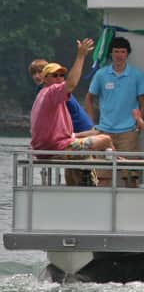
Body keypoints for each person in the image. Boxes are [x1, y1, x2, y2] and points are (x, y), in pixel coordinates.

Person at [30, 40, 114, 186]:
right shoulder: (52, 92)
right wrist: (81, 55)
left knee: (94, 135)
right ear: (45, 79)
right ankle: (113, 162)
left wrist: (87, 133)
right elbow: (72, 84)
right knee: (105, 139)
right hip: (57, 148)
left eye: (62, 75)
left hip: (49, 146)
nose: (59, 79)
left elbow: (59, 132)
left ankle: (83, 183)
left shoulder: (42, 94)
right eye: (54, 75)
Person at [86, 36, 144, 186]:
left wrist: (138, 124)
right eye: (116, 51)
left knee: (130, 176)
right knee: (102, 176)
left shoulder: (137, 75)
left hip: (128, 132)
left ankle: (132, 207)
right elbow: (89, 98)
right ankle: (102, 207)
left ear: (127, 54)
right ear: (111, 54)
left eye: (122, 51)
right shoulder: (101, 74)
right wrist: (92, 123)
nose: (119, 55)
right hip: (103, 131)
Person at [29, 58, 96, 135]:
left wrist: (81, 55)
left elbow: (72, 83)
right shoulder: (43, 90)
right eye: (34, 73)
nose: (37, 76)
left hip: (79, 128)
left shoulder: (57, 90)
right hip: (72, 130)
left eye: (40, 72)